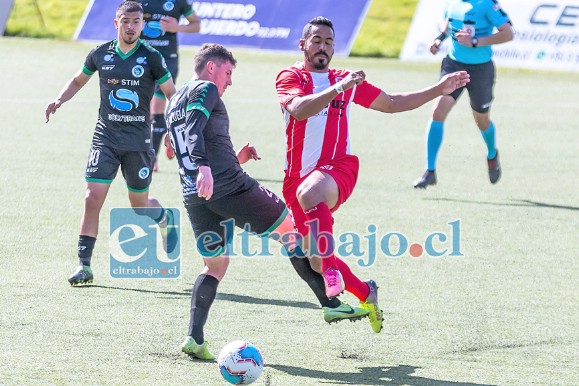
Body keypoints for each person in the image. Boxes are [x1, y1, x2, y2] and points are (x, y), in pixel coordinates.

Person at [166, 43, 369, 360]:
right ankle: (331, 305)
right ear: (211, 68)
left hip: (196, 194)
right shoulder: (206, 88)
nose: (229, 81)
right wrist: (208, 167)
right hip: (227, 186)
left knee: (214, 265)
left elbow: (186, 143)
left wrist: (234, 159)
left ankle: (194, 337)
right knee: (291, 231)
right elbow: (194, 130)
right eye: (228, 73)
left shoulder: (174, 100)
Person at [275, 16, 470, 333]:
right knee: (314, 256)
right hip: (296, 180)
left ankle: (329, 272)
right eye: (316, 41)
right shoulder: (292, 76)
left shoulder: (345, 80)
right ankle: (366, 291)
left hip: (339, 170)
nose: (323, 47)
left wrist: (438, 88)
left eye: (329, 42)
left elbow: (392, 103)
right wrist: (340, 87)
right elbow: (299, 109)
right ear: (303, 45)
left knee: (312, 201)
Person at [44, 1, 177, 286]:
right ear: (117, 23)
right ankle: (84, 265)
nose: (131, 26)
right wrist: (58, 99)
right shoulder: (100, 53)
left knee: (138, 206)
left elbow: (171, 95)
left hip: (138, 141)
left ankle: (164, 219)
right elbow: (78, 81)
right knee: (92, 199)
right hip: (105, 137)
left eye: (136, 22)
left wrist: (171, 133)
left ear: (143, 24)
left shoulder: (152, 57)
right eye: (126, 21)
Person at [413, 0, 513, 188]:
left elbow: (508, 34)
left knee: (481, 120)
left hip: (481, 70)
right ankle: (430, 171)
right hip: (453, 65)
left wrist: (475, 42)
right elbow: (448, 23)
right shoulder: (452, 3)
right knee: (438, 111)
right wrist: (438, 40)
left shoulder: (487, 4)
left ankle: (492, 154)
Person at [134, 0, 201, 171]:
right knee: (141, 108)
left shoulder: (178, 2)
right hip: (140, 58)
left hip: (166, 60)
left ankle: (151, 158)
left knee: (157, 106)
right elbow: (123, 22)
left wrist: (177, 27)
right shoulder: (136, 2)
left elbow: (196, 25)